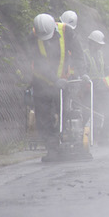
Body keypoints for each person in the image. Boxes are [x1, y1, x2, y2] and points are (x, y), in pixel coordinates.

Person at [28, 13, 86, 160]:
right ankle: (52, 149)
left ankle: (66, 141)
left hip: (64, 82)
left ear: (54, 27)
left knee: (64, 112)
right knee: (43, 117)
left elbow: (79, 54)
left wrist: (81, 73)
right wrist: (54, 80)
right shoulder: (33, 37)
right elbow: (38, 63)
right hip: (42, 82)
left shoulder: (67, 32)